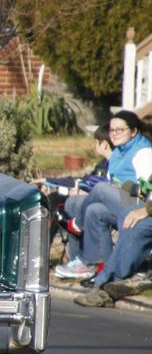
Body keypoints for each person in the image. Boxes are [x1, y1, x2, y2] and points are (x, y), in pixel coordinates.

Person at [55, 110, 152, 280]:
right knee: (90, 208)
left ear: (134, 131)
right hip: (120, 200)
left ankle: (77, 224)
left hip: (139, 204)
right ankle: (93, 265)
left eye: (120, 130)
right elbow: (111, 181)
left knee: (100, 189)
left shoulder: (143, 151)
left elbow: (146, 188)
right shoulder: (118, 153)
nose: (114, 134)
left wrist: (119, 189)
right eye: (112, 130)